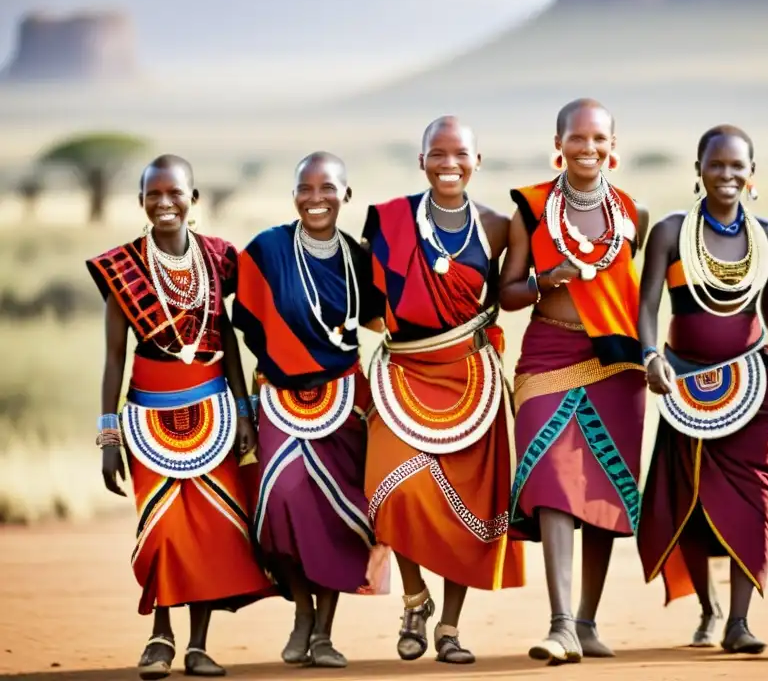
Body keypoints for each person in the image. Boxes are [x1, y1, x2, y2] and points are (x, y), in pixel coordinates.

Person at [86, 155, 273, 680]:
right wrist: (108, 436)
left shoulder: (218, 259)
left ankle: (197, 645)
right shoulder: (123, 268)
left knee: (212, 532)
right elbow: (114, 360)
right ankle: (159, 637)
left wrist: (243, 411)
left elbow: (230, 343)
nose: (165, 203)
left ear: (195, 199)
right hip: (148, 414)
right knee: (164, 530)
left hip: (213, 407)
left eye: (175, 194)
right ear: (141, 201)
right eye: (154, 195)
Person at [360, 116, 526, 665]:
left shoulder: (500, 226)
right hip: (404, 371)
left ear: (478, 161)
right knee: (395, 491)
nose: (448, 163)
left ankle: (449, 628)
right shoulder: (387, 220)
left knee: (472, 509)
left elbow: (510, 293)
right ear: (421, 161)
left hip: (470, 375)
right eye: (437, 153)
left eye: (460, 154)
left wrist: (554, 281)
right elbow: (367, 304)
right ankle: (414, 598)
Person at [499, 98, 649, 663]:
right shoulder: (532, 209)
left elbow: (642, 296)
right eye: (577, 139)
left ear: (615, 145)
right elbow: (507, 293)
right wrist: (547, 278)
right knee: (553, 479)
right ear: (557, 144)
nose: (589, 149)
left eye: (599, 139)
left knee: (603, 491)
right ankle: (559, 623)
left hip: (616, 367)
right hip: (547, 357)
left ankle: (586, 622)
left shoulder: (633, 211)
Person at [636, 125, 768, 654]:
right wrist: (650, 355)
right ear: (698, 170)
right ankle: (708, 608)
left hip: (752, 384)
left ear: (752, 174)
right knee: (691, 498)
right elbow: (647, 305)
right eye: (716, 165)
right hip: (684, 382)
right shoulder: (670, 232)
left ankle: (740, 623)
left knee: (757, 494)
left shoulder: (767, 235)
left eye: (737, 166)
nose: (727, 175)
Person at [232, 152, 390, 669]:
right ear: (294, 194)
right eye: (306, 188)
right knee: (282, 500)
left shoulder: (359, 257)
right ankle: (301, 611)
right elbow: (244, 327)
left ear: (346, 194)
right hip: (280, 396)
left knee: (339, 516)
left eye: (328, 188)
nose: (316, 197)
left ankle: (322, 631)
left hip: (345, 397)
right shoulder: (267, 251)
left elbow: (380, 322)